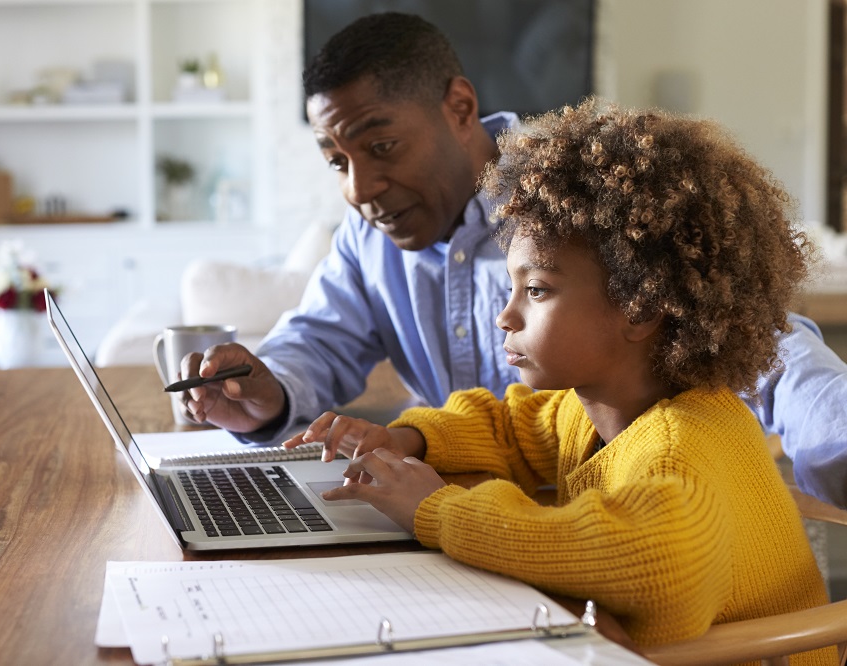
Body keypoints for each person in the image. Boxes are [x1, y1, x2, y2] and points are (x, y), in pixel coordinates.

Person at [178, 12, 847, 508]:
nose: (358, 190)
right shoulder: (368, 240)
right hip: (467, 507)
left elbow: (768, 348)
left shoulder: (571, 208)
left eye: (381, 148)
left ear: (460, 109)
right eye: (336, 162)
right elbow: (317, 343)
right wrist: (263, 395)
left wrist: (837, 442)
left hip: (595, 513)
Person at [284, 99, 834, 659]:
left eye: (538, 291)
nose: (506, 316)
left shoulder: (681, 446)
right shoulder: (592, 407)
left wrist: (438, 509)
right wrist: (408, 439)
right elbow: (509, 426)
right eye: (511, 288)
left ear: (640, 310)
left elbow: (655, 564)